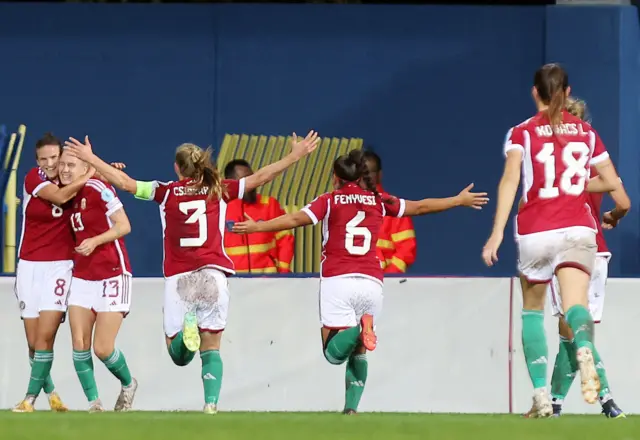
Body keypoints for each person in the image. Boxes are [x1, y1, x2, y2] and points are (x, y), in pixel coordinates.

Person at [63, 131, 321, 414]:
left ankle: (186, 338)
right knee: (212, 347)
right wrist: (295, 155)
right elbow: (261, 178)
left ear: (177, 168)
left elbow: (124, 182)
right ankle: (211, 404)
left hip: (180, 279)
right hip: (213, 275)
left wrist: (90, 158)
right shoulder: (219, 188)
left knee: (179, 355)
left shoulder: (164, 192)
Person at [232, 149, 488, 414]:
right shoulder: (379, 200)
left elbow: (295, 219)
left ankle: (358, 329)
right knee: (359, 353)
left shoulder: (329, 200)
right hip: (372, 283)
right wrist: (458, 200)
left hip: (338, 280)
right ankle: (351, 409)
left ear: (335, 177)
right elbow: (421, 206)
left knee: (333, 353)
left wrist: (258, 227)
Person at [482, 64, 624, 418]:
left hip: (537, 228)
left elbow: (510, 180)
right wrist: (575, 184)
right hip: (578, 227)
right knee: (577, 307)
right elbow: (612, 182)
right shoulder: (587, 133)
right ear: (567, 90)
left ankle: (542, 395)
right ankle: (584, 347)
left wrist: (497, 231)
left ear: (535, 93)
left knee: (533, 309)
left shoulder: (522, 133)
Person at [544, 97, 629, 418]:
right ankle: (553, 404)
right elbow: (623, 201)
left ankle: (606, 398)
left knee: (571, 332)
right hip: (597, 249)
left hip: (563, 248)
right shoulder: (594, 159)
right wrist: (613, 216)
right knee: (578, 332)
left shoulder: (548, 159)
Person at [12, 133, 95, 413]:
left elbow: (99, 185)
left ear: (62, 159)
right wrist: (92, 172)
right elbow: (59, 197)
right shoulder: (33, 179)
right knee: (33, 343)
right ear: (37, 161)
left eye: (55, 159)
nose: (50, 164)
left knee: (46, 337)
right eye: (44, 159)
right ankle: (51, 393)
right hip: (28, 267)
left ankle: (29, 399)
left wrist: (101, 170)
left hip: (60, 267)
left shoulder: (74, 179)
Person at [59, 149, 137, 413]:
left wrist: (95, 240)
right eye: (62, 165)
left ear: (85, 168)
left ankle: (128, 384)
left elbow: (124, 225)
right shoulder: (62, 193)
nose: (65, 170)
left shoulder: (98, 188)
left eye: (71, 165)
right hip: (81, 276)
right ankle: (94, 404)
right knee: (79, 344)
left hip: (113, 273)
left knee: (103, 348)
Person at [223, 159, 294, 274]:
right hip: (233, 281)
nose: (253, 184)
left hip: (267, 280)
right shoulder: (221, 208)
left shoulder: (270, 204)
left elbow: (285, 240)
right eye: (247, 181)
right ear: (232, 183)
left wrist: (283, 272)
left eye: (253, 178)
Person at [362, 151, 417, 273]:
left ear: (379, 175)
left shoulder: (394, 207)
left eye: (368, 172)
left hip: (383, 285)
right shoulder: (346, 205)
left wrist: (388, 279)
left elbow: (406, 250)